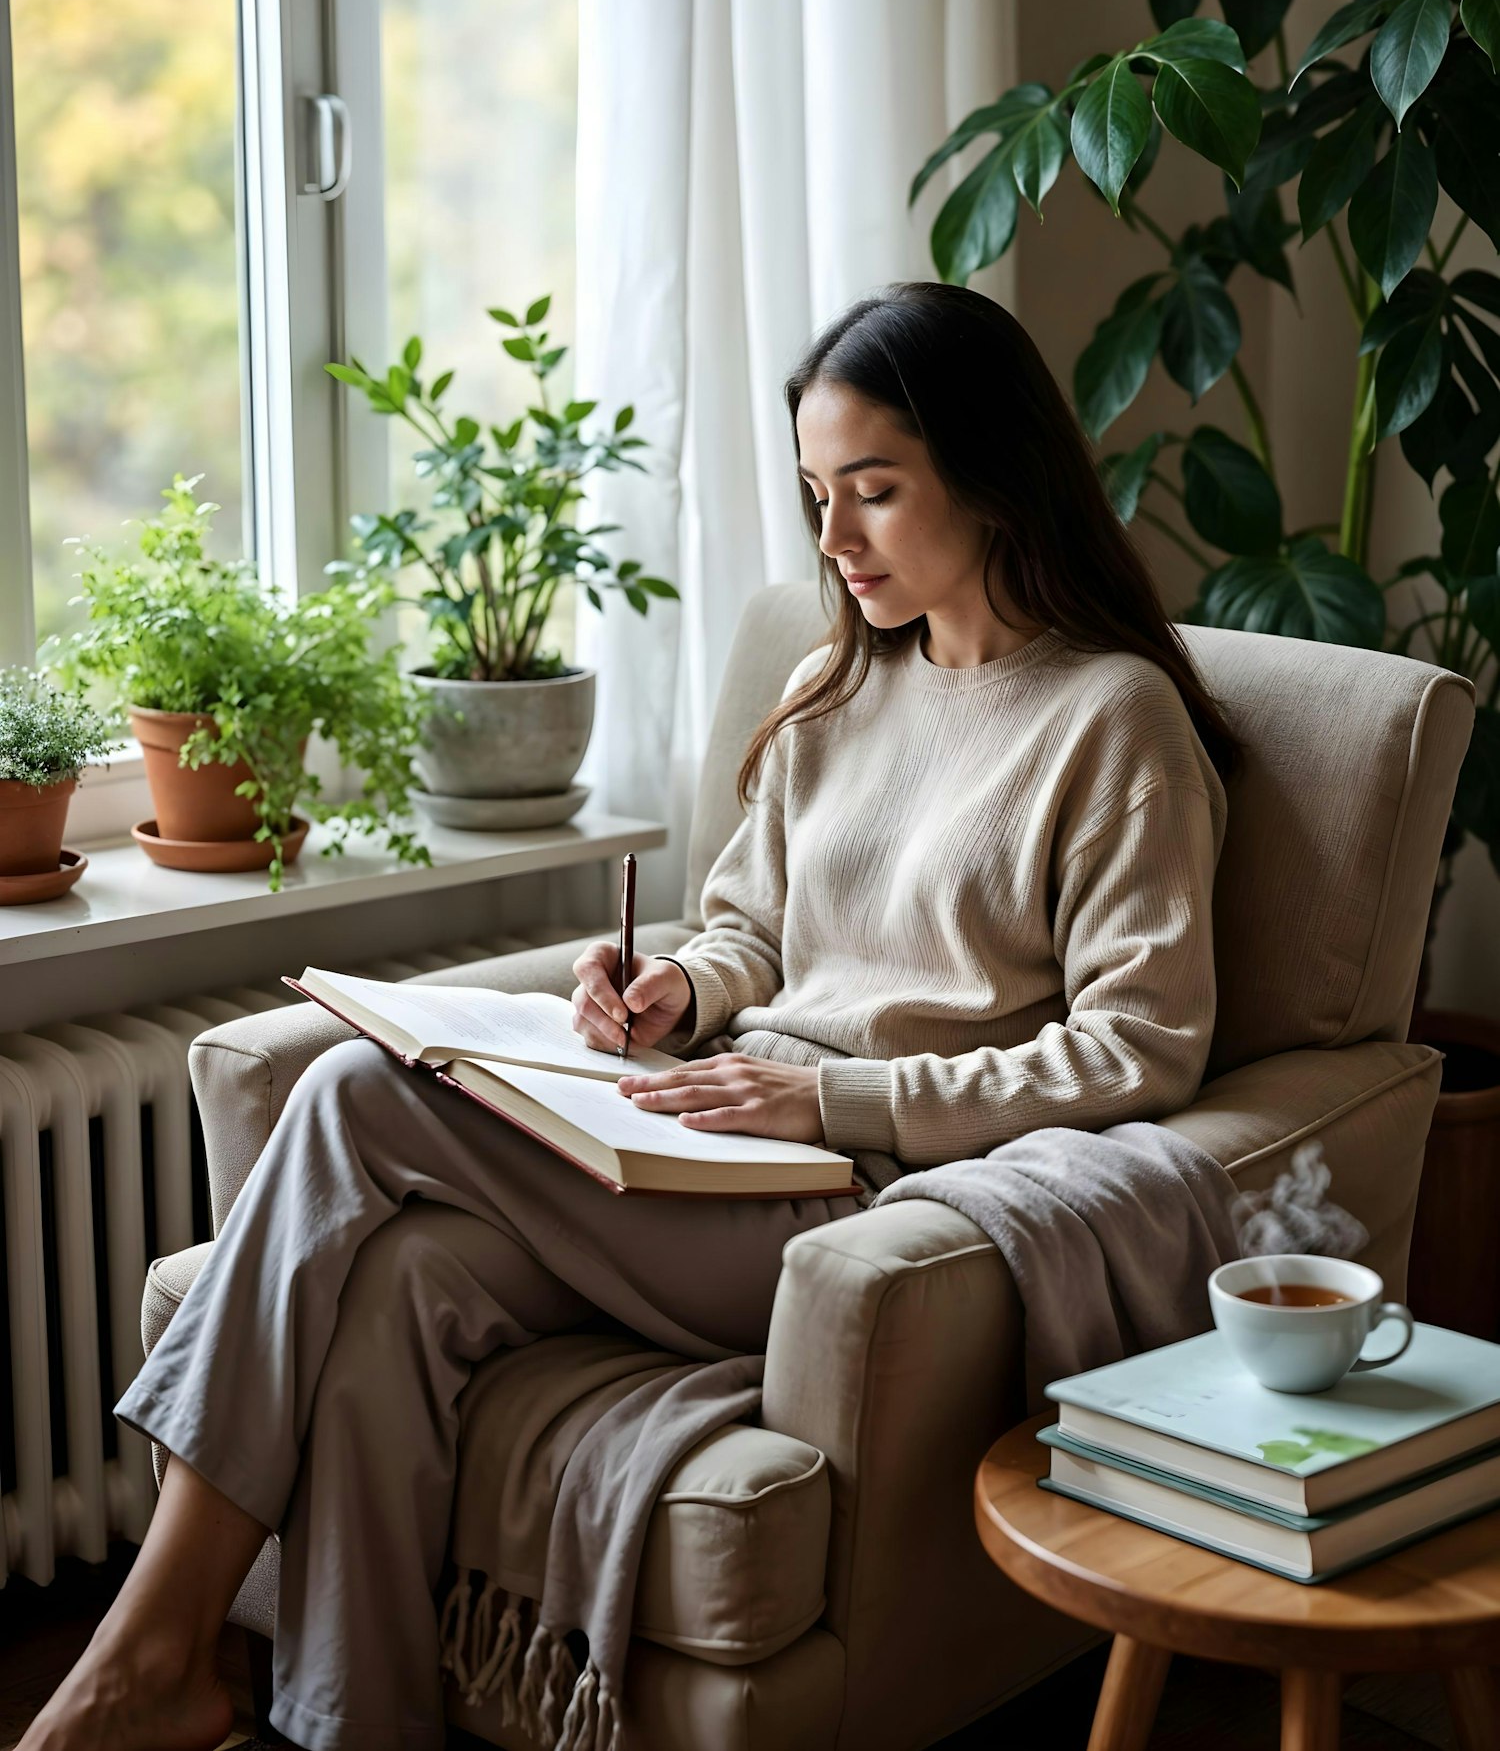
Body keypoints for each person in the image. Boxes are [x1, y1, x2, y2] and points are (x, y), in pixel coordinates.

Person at [20, 281, 1238, 1751]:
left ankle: (146, 1654)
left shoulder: (1113, 722)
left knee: (348, 1096)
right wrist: (682, 988)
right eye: (814, 495)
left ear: (991, 475)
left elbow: (1140, 1049)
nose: (835, 541)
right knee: (397, 1281)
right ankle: (349, 1723)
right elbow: (749, 927)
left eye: (873, 493)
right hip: (707, 1134)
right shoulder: (838, 682)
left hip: (852, 1198)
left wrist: (829, 1103)